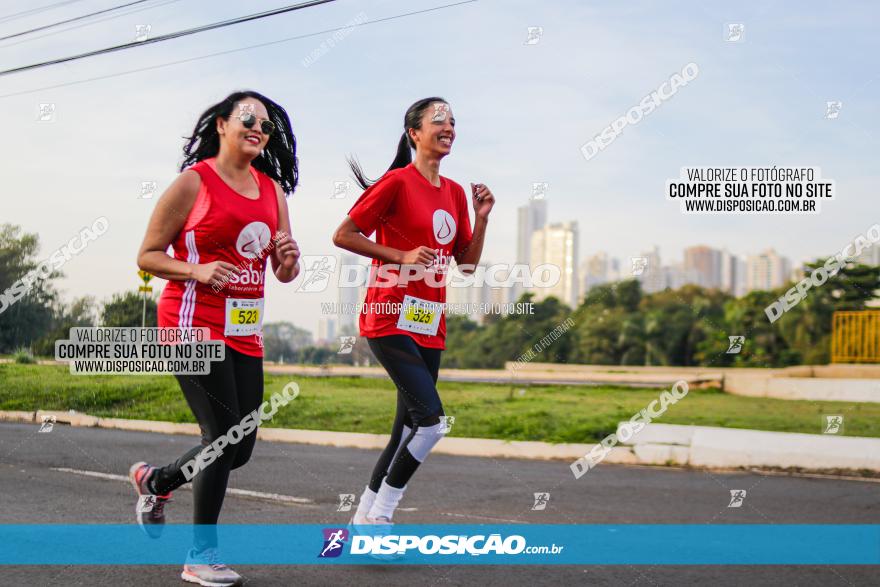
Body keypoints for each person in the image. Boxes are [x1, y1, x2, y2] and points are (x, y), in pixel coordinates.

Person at [132, 90, 300, 586]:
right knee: (222, 437)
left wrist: (289, 261)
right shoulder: (193, 182)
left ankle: (156, 481)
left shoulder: (272, 191)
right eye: (248, 118)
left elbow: (284, 270)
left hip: (244, 329)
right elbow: (147, 254)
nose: (258, 128)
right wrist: (197, 270)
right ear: (223, 124)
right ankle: (200, 556)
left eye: (266, 125)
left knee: (239, 447)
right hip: (190, 322)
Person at [332, 97, 495, 528]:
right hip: (388, 314)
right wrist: (399, 255)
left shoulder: (456, 193)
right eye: (438, 120)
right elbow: (344, 235)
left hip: (429, 320)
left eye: (454, 122)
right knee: (432, 423)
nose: (449, 127)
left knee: (406, 430)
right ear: (414, 134)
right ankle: (382, 515)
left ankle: (362, 518)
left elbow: (465, 264)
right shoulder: (396, 183)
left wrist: (481, 220)